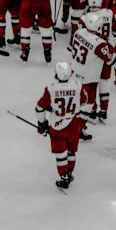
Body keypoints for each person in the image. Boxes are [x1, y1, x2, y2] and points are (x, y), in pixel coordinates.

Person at [36, 59, 90, 190]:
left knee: (60, 154)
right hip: (74, 124)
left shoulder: (51, 88)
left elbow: (39, 107)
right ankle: (69, 172)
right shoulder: (78, 86)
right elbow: (84, 101)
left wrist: (42, 123)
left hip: (57, 125)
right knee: (72, 151)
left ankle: (64, 176)